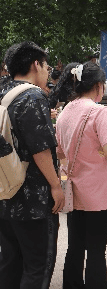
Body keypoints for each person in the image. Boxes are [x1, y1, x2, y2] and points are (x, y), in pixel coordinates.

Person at [0, 41, 64, 288]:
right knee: (37, 266)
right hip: (33, 200)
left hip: (5, 193)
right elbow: (41, 148)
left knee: (10, 262)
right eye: (46, 65)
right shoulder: (32, 96)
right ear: (35, 64)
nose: (48, 71)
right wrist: (56, 185)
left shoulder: (3, 93)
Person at [54, 61, 107, 289]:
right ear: (99, 85)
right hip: (98, 194)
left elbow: (60, 152)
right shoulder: (100, 113)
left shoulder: (64, 113)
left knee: (75, 246)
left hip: (74, 191)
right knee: (97, 250)